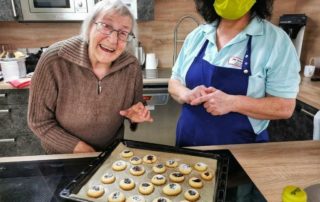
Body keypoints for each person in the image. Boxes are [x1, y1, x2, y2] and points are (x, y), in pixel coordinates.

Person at [169, 0, 300, 147]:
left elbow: (285, 107)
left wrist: (232, 103)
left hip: (242, 152)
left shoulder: (276, 41)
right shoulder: (197, 36)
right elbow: (174, 82)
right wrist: (185, 94)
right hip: (188, 146)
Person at [28, 0, 153, 154]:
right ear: (88, 27)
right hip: (61, 158)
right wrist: (80, 149)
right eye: (106, 26)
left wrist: (134, 116)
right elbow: (39, 121)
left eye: (123, 33)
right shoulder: (55, 59)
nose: (113, 40)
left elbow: (134, 108)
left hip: (109, 155)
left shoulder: (131, 66)